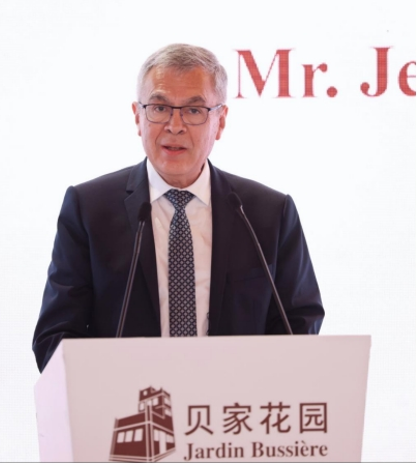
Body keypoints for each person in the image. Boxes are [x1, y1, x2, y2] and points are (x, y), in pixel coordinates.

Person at [32, 43, 324, 372]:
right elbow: (56, 336)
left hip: (235, 399)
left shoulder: (267, 213)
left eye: (194, 111)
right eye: (159, 108)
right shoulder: (89, 209)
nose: (174, 125)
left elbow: (298, 325)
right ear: (138, 117)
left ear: (220, 121)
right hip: (131, 401)